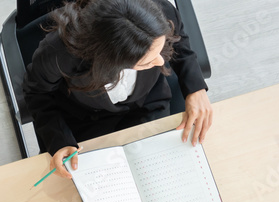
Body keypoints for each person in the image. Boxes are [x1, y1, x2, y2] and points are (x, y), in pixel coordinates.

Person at [23, 0, 212, 179]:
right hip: (85, 120)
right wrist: (59, 140)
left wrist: (196, 88)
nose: (161, 62)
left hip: (147, 103)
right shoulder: (60, 53)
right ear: (112, 61)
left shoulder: (161, 11)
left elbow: (180, 43)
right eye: (147, 61)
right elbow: (37, 93)